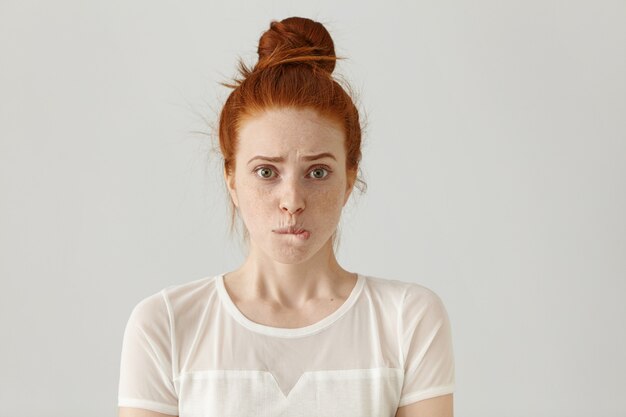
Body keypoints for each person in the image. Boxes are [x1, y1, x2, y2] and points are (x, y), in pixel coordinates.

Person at [118, 16, 455, 417]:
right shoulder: (167, 325)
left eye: (317, 172)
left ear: (350, 179)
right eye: (266, 172)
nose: (292, 200)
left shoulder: (406, 319)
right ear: (231, 180)